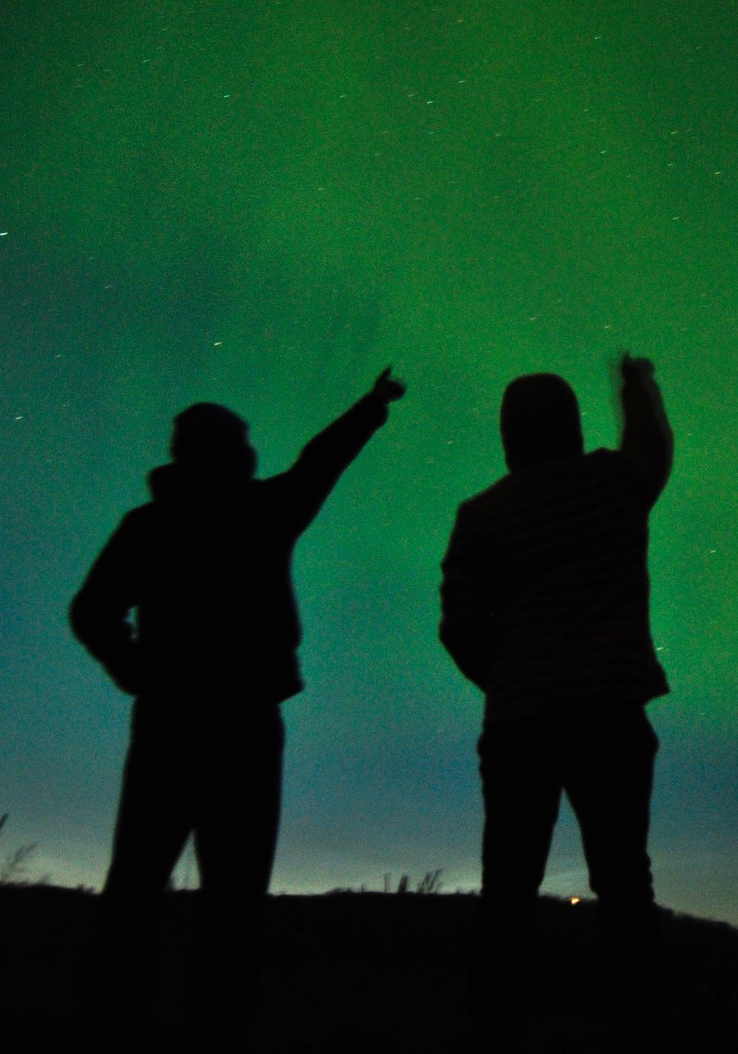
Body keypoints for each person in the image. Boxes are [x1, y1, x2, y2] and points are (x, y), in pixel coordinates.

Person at [70, 367, 405, 1049]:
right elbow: (320, 464)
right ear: (233, 452)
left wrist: (136, 670)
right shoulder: (261, 512)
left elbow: (92, 610)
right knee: (232, 895)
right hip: (244, 726)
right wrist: (370, 407)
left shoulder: (151, 524)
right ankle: (213, 1028)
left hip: (168, 723)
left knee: (137, 885)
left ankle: (113, 1023)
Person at [439, 353, 674, 1052]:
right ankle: (639, 1031)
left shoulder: (481, 516)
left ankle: (493, 1031)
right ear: (570, 426)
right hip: (610, 713)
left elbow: (458, 627)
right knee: (625, 884)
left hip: (519, 727)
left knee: (507, 888)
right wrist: (637, 388)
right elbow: (652, 448)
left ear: (509, 434)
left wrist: (510, 679)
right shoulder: (612, 484)